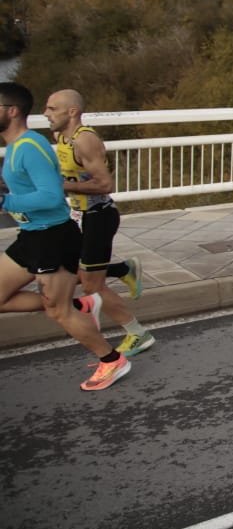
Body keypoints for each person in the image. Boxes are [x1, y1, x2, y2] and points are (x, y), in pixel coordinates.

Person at [0, 82, 131, 390]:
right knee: (51, 304)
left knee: (58, 311)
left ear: (11, 111)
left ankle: (111, 361)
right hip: (32, 236)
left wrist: (4, 202)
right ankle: (80, 306)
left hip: (54, 239)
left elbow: (50, 197)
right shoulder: (20, 145)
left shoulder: (29, 147)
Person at [43, 89, 154, 356]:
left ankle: (138, 334)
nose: (45, 114)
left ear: (72, 112)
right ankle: (122, 269)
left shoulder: (85, 140)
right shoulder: (60, 136)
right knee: (79, 274)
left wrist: (61, 186)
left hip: (98, 218)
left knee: (92, 285)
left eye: (51, 108)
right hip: (78, 217)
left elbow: (105, 184)